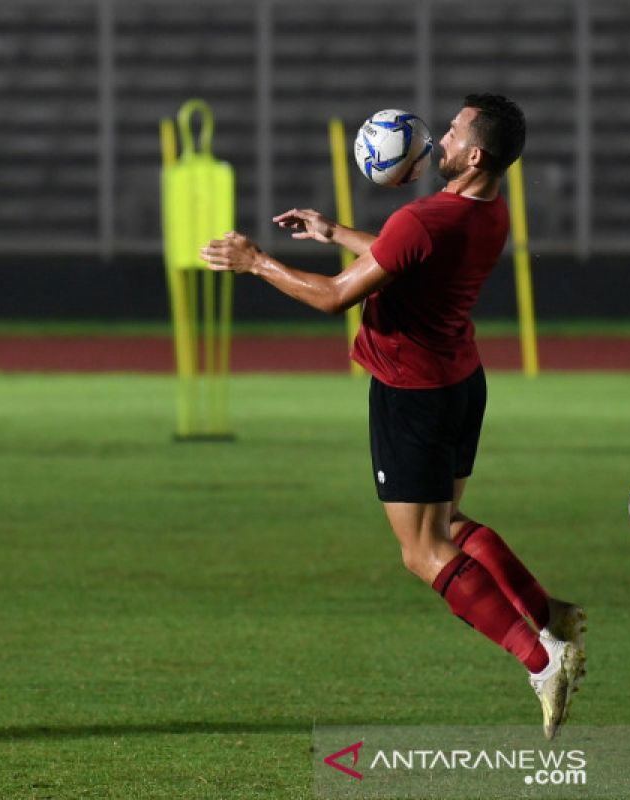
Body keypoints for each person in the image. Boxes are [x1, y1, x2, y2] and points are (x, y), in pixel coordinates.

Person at [200, 94, 585, 740]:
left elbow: (332, 298)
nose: (440, 139)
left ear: (475, 153)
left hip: (412, 393)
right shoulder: (490, 212)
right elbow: (407, 253)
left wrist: (255, 262)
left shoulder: (423, 219)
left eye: (454, 131)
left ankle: (541, 660)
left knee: (421, 551)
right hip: (462, 381)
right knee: (451, 524)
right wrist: (335, 234)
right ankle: (551, 613)